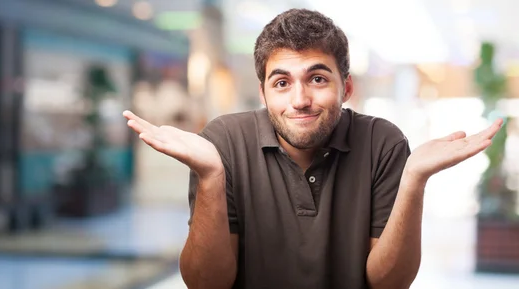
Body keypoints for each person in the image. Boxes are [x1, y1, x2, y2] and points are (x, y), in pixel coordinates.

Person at [123, 8, 502, 289]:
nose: (300, 99)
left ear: (346, 88)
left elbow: (388, 284)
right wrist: (210, 177)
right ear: (263, 92)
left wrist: (414, 181)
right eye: (282, 82)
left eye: (317, 78)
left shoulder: (383, 143)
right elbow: (208, 285)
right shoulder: (224, 143)